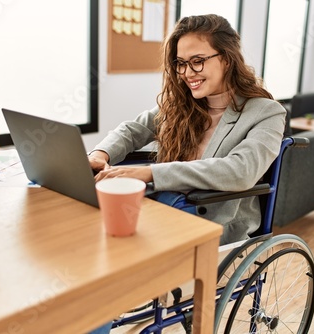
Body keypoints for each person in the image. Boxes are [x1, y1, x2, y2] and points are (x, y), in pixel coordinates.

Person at [88, 14, 286, 246]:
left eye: (197, 60)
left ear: (227, 59)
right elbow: (132, 130)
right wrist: (100, 154)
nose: (188, 73)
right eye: (181, 63)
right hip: (165, 207)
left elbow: (241, 170)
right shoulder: (181, 103)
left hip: (213, 221)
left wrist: (150, 173)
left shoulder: (267, 113)